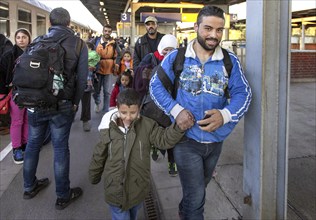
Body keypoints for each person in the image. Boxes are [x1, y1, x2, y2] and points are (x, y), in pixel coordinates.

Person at [149, 6, 252, 219]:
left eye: (219, 30)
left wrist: (225, 115)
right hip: (186, 141)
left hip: (215, 142)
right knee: (196, 197)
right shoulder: (176, 57)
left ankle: (184, 209)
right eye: (207, 28)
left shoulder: (229, 61)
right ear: (196, 27)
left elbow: (244, 94)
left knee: (198, 189)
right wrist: (176, 110)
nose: (214, 35)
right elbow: (155, 86)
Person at [23, 7, 88, 210]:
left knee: (33, 144)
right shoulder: (78, 44)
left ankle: (29, 186)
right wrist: (76, 102)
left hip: (35, 102)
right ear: (69, 24)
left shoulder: (37, 41)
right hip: (62, 104)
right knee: (60, 148)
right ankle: (62, 195)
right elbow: (82, 78)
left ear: (50, 23)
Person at [88, 88, 186, 220]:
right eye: (124, 113)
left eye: (133, 112)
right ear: (117, 108)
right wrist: (94, 174)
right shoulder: (108, 127)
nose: (128, 117)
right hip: (114, 189)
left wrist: (179, 127)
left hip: (137, 189)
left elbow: (163, 140)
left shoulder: (148, 125)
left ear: (139, 109)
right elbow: (99, 154)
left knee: (133, 214)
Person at [134, 34, 179, 176]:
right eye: (166, 49)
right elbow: (141, 84)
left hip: (171, 105)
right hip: (152, 105)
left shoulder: (179, 61)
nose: (168, 53)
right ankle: (154, 145)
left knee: (172, 133)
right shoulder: (151, 59)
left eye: (172, 49)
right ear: (161, 48)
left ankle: (172, 161)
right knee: (154, 130)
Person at [0, 28, 31, 164]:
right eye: (18, 37)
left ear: (29, 38)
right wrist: (4, 91)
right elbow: (1, 75)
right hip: (15, 92)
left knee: (27, 120)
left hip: (31, 92)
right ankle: (16, 148)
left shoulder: (34, 53)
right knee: (17, 121)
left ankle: (25, 144)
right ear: (15, 39)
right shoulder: (8, 55)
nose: (21, 40)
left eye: (24, 37)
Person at [91, 25, 122, 113]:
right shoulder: (95, 41)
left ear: (111, 32)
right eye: (106, 31)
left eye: (109, 31)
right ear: (103, 31)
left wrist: (116, 63)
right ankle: (97, 102)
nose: (107, 33)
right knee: (96, 90)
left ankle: (105, 110)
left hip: (108, 69)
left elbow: (120, 54)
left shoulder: (114, 43)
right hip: (97, 69)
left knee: (106, 91)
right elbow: (89, 51)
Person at [79, 41, 100, 132]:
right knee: (72, 100)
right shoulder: (76, 53)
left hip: (87, 80)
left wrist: (95, 68)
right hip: (74, 79)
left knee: (86, 99)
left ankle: (85, 120)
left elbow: (98, 64)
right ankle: (71, 116)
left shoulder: (93, 54)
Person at [0, 33, 13, 135]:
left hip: (3, 81)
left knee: (4, 102)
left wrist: (7, 82)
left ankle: (6, 124)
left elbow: (7, 67)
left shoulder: (6, 46)